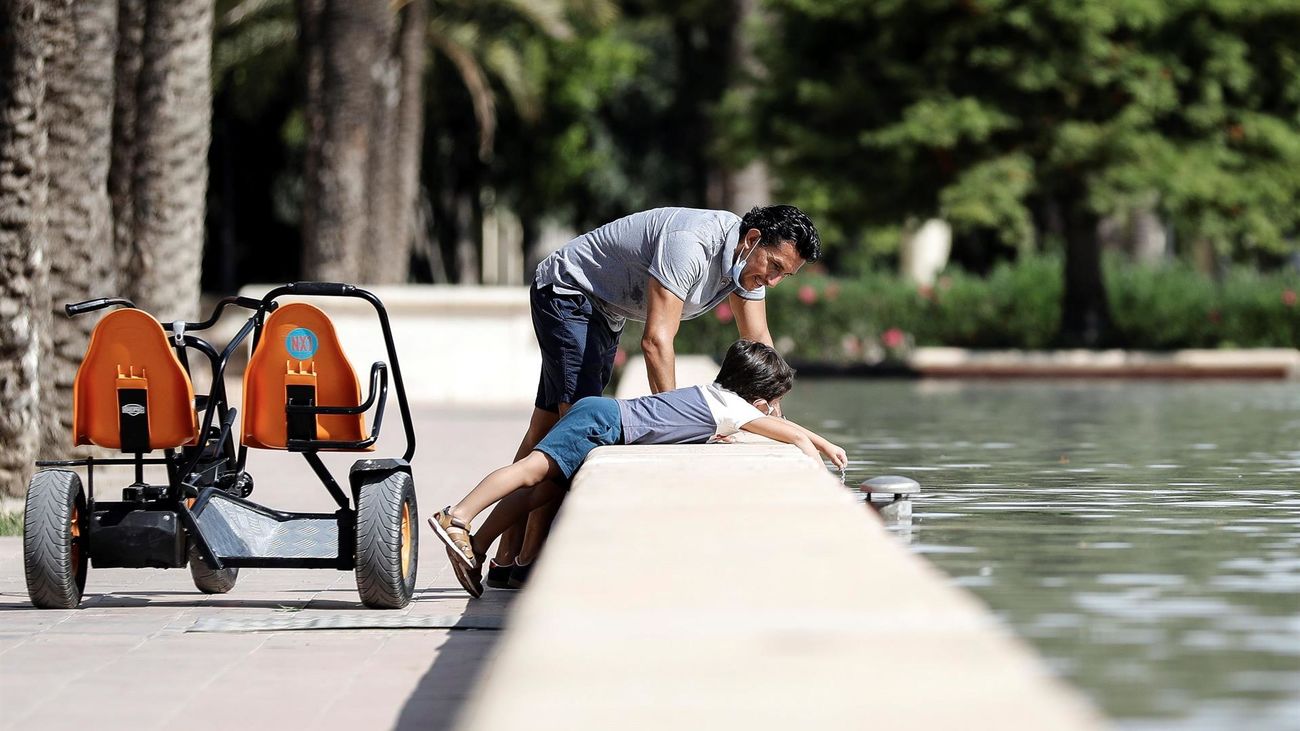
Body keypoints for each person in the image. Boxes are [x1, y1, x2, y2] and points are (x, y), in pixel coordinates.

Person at [489, 205, 823, 589]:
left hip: (603, 310)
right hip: (569, 293)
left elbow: (759, 346)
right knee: (570, 442)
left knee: (544, 430)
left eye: (785, 274)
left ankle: (502, 560)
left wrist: (778, 421)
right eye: (775, 266)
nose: (775, 281)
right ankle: (527, 562)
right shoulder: (691, 244)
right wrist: (683, 425)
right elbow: (656, 342)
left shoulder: (748, 265)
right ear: (752, 240)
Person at [429, 340, 847, 597]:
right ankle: (458, 516)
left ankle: (477, 546)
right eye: (772, 405)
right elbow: (790, 435)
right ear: (759, 402)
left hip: (602, 418)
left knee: (545, 489)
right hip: (602, 422)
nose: (773, 413)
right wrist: (821, 455)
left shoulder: (717, 397)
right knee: (531, 471)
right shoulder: (734, 408)